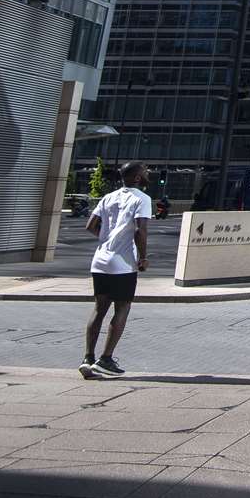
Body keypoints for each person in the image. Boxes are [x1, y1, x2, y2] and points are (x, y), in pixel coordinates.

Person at [81, 161, 152, 379]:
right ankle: (106, 359)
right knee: (122, 307)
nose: (148, 174)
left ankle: (88, 358)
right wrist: (142, 257)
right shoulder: (142, 199)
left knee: (99, 308)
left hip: (100, 260)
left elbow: (91, 226)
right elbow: (140, 230)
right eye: (145, 171)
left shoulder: (108, 197)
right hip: (122, 263)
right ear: (138, 178)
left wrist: (107, 239)